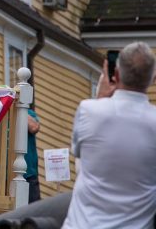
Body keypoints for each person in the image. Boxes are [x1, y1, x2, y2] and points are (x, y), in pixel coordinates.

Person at [62, 41, 156, 229]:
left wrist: (101, 98)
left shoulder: (88, 110)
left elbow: (80, 154)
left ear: (117, 73)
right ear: (153, 78)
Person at [25, 108, 41, 203]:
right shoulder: (1, 111)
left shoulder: (28, 113)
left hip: (28, 174)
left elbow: (34, 127)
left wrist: (19, 108)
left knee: (33, 214)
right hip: (4, 176)